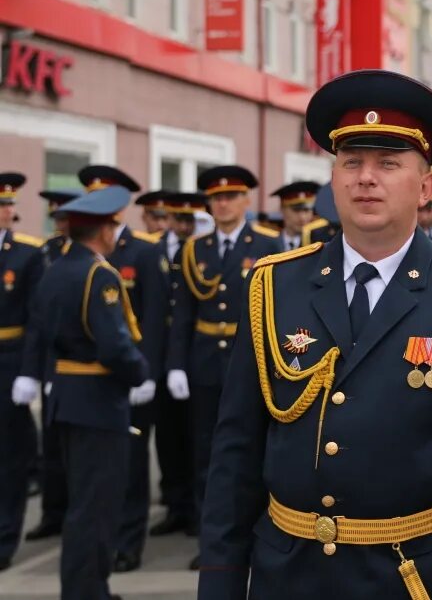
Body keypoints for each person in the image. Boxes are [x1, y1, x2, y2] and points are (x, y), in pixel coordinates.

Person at [199, 69, 432, 599]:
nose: (365, 178)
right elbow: (235, 452)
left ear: (426, 187)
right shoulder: (273, 284)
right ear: (332, 180)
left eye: (388, 164)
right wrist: (219, 585)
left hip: (413, 576)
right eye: (351, 163)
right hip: (289, 574)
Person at [33, 185, 149, 600]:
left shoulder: (57, 268)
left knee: (82, 506)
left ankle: (85, 588)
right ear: (102, 230)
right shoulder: (100, 274)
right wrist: (140, 374)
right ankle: (87, 593)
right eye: (114, 225)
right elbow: (115, 344)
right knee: (96, 508)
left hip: (67, 397)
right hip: (98, 402)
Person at [167, 165, 281, 570]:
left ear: (247, 200)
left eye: (231, 196)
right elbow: (182, 313)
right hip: (204, 362)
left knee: (257, 447)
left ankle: (261, 529)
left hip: (250, 359)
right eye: (216, 198)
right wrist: (176, 364)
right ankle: (211, 537)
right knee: (207, 452)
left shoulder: (269, 242)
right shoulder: (193, 250)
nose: (223, 203)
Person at [74, 166, 168, 574]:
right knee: (99, 469)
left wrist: (147, 374)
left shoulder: (144, 251)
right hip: (94, 380)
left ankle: (129, 542)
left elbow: (156, 316)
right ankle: (101, 539)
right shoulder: (78, 252)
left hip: (132, 377)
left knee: (131, 465)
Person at [20, 188, 81, 544]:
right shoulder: (47, 253)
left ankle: (72, 514)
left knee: (77, 453)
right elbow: (37, 318)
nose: (59, 226)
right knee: (52, 447)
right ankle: (52, 513)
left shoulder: (85, 256)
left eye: (64, 219)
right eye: (56, 219)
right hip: (50, 363)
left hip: (78, 365)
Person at [151, 193, 205, 539]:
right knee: (168, 439)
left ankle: (195, 513)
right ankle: (175, 505)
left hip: (198, 355)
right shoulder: (150, 249)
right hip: (163, 355)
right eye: (177, 219)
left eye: (190, 220)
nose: (184, 226)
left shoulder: (199, 249)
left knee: (197, 439)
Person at [0, 172, 45, 571]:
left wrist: (30, 372)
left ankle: (4, 538)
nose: (6, 211)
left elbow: (36, 318)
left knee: (9, 456)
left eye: (8, 205)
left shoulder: (27, 253)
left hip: (9, 360)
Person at [271, 181, 320, 251]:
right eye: (296, 210)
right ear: (282, 209)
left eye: (306, 210)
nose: (302, 217)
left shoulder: (320, 244)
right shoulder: (268, 243)